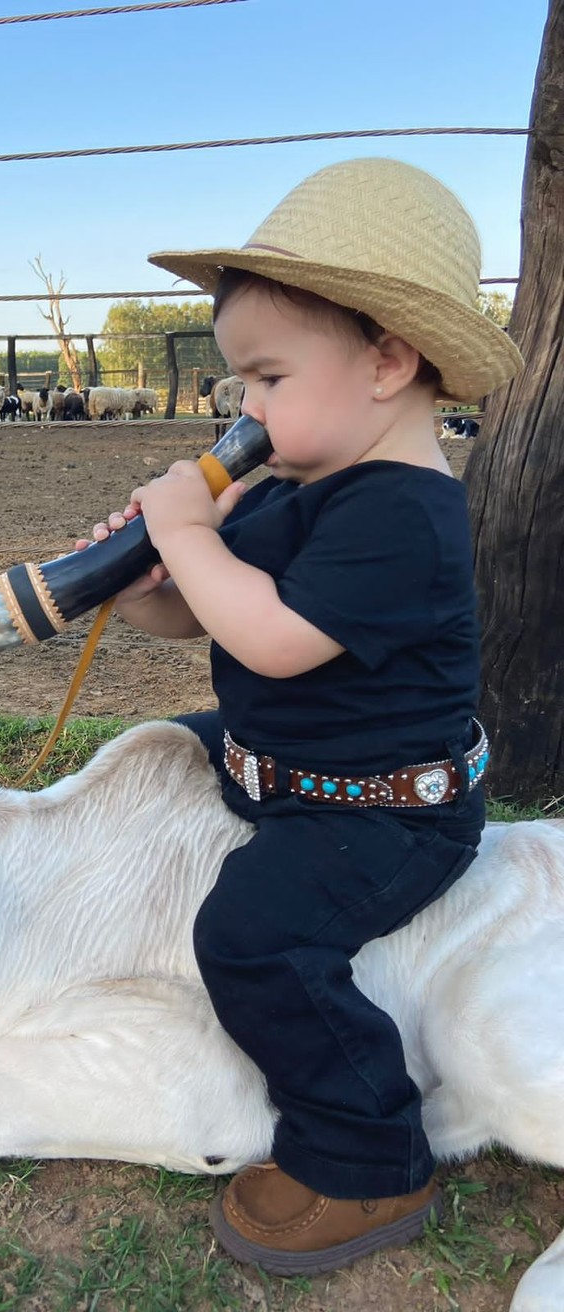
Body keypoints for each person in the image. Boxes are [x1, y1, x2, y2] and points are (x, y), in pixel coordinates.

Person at [81, 157, 523, 1274]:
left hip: (383, 810)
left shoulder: (408, 513)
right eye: (242, 381)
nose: (246, 410)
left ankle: (367, 1154)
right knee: (160, 759)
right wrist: (146, 581)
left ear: (388, 360)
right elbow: (212, 622)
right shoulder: (298, 485)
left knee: (255, 939)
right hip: (294, 758)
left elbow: (274, 637)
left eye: (267, 376)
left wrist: (185, 531)